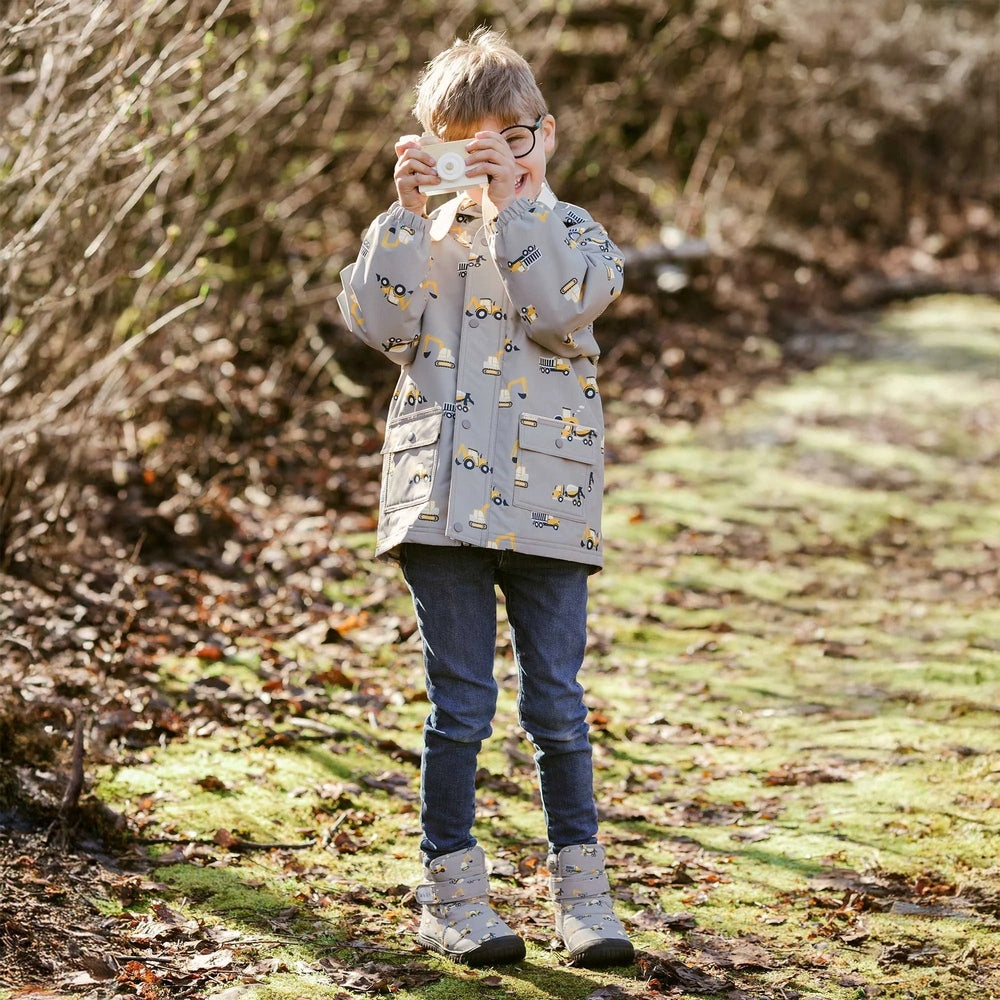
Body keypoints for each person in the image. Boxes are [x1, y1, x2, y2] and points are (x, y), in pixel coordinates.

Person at [337, 28, 632, 969]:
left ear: (543, 136)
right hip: (440, 505)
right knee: (459, 705)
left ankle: (582, 895)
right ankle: (451, 890)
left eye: (508, 142)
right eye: (466, 145)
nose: (489, 163)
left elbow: (558, 308)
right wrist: (405, 217)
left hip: (549, 504)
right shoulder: (423, 235)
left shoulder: (576, 232)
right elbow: (379, 324)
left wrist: (514, 211)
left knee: (557, 704)